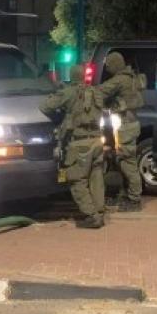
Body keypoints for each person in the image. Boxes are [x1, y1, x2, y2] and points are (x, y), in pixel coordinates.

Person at [40, 64, 106, 228]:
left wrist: (60, 116)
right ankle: (99, 212)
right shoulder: (97, 92)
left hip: (79, 142)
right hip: (97, 140)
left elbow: (45, 106)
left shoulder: (69, 92)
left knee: (76, 179)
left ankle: (91, 215)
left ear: (71, 76)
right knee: (96, 177)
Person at [96, 52, 144, 212]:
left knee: (127, 162)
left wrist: (82, 90)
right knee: (122, 160)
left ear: (116, 64)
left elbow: (100, 91)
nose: (107, 69)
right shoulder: (132, 77)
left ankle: (134, 199)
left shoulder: (120, 80)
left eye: (109, 65)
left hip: (125, 126)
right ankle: (125, 194)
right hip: (130, 124)